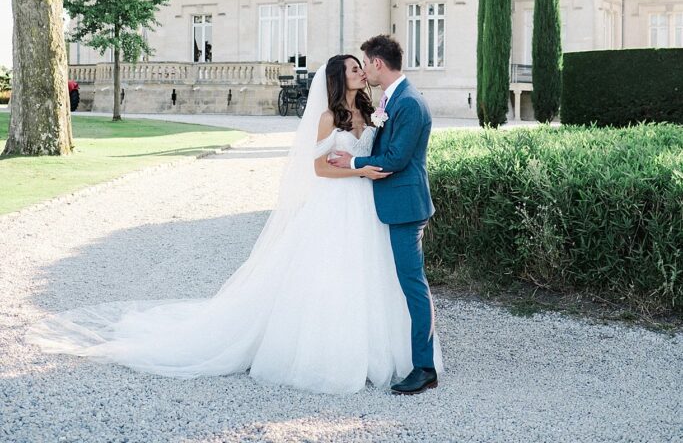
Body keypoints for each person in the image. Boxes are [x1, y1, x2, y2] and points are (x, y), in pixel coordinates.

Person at [28, 54, 426, 395]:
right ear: (339, 79)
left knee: (367, 275)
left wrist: (361, 169)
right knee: (326, 275)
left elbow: (385, 153)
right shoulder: (326, 118)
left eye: (361, 67)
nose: (360, 71)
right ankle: (327, 354)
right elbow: (320, 168)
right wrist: (357, 172)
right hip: (336, 203)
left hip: (367, 206)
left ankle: (374, 349)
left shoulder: (374, 113)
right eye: (353, 69)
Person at [329, 34, 438, 395]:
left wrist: (354, 161)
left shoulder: (408, 103)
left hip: (406, 207)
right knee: (400, 284)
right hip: (392, 205)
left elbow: (395, 160)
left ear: (377, 63)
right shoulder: (393, 99)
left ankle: (424, 367)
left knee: (413, 285)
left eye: (366, 63)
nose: (364, 71)